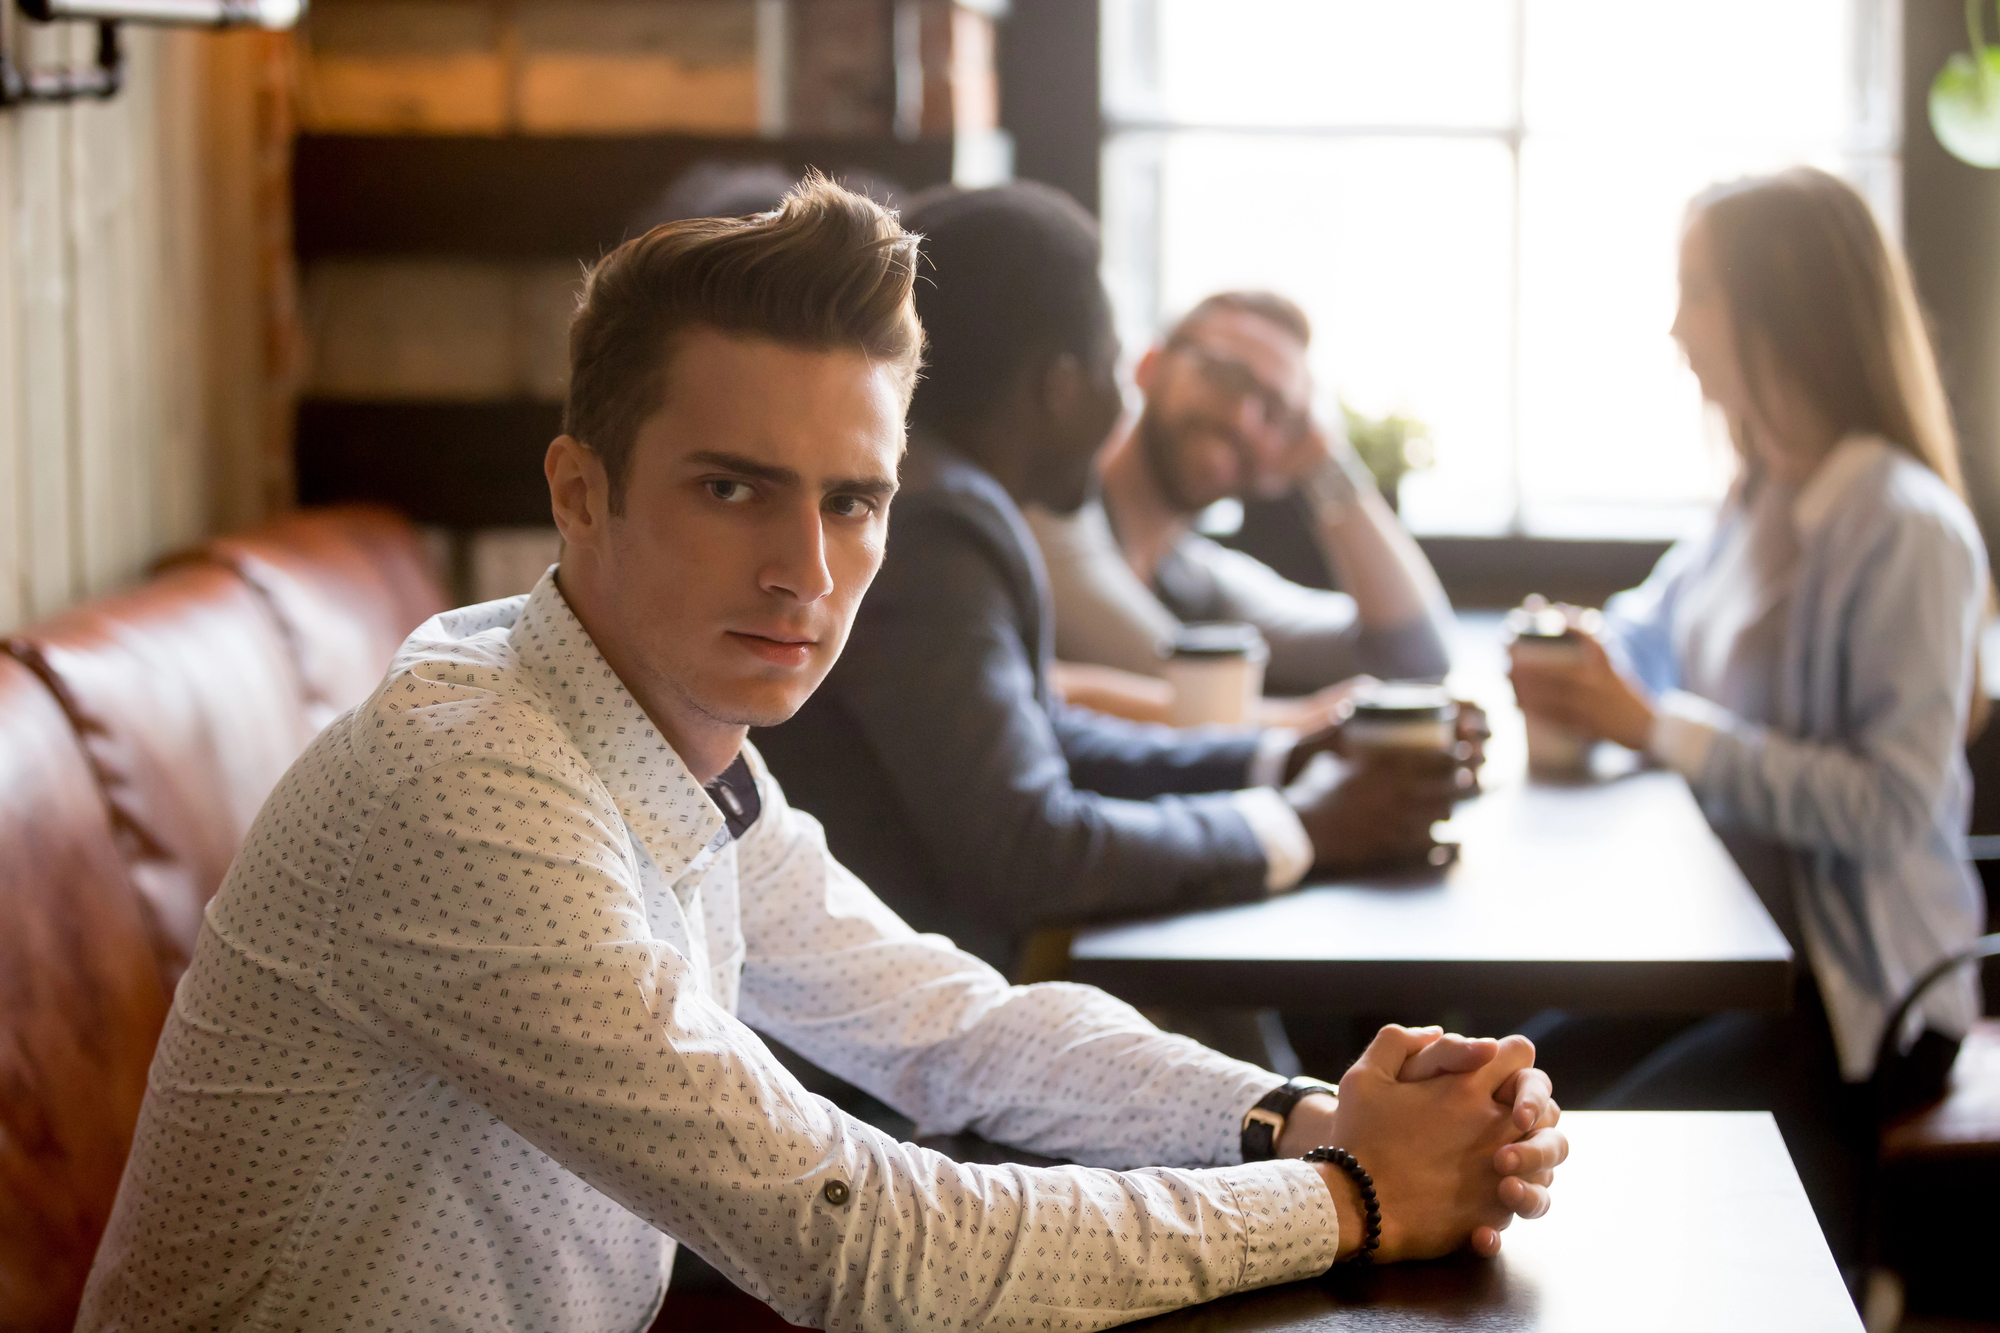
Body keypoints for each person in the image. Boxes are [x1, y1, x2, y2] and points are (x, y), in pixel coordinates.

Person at [75, 176, 1565, 1332]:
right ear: (580, 491)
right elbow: (857, 1244)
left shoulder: (660, 734)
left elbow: (948, 1026)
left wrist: (1295, 1116)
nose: (805, 568)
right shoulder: (473, 781)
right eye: (733, 488)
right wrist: (1353, 1196)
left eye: (854, 501)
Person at [754, 184, 1478, 983]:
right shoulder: (939, 527)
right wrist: (1301, 824)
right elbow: (1027, 850)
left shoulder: (954, 502)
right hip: (895, 1032)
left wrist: (1277, 759)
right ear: (1059, 386)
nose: (1118, 405)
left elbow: (1041, 729)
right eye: (1111, 371)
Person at [1508, 166, 1984, 1270]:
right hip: (1736, 960)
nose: (1674, 326)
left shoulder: (1903, 528)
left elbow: (1886, 803)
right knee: (1509, 1087)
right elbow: (1654, 632)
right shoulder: (1761, 491)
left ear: (1781, 305)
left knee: (1572, 1173)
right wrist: (1577, 649)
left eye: (1696, 290)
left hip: (1859, 1004)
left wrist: (1650, 724)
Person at [1027, 290, 1456, 730]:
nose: (1244, 418)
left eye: (1276, 411)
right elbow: (1179, 686)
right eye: (1225, 375)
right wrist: (1304, 723)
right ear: (1149, 368)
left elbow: (1413, 655)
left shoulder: (1199, 582)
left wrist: (1325, 462)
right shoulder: (1047, 515)